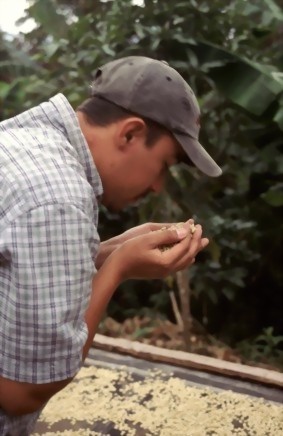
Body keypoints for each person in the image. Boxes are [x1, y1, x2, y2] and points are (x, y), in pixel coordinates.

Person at [0, 56, 222, 435]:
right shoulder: (59, 198)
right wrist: (119, 267)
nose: (157, 186)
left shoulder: (25, 144)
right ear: (130, 134)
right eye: (165, 164)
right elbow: (22, 393)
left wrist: (113, 247)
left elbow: (17, 268)